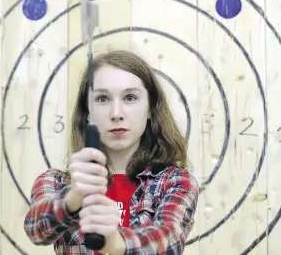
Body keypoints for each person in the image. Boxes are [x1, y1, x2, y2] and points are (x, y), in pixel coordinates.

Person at [24, 49, 199, 255]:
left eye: (130, 97)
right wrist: (74, 198)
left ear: (151, 108)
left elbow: (169, 239)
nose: (116, 113)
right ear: (87, 112)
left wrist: (114, 240)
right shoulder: (55, 182)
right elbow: (36, 229)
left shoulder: (176, 182)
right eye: (102, 99)